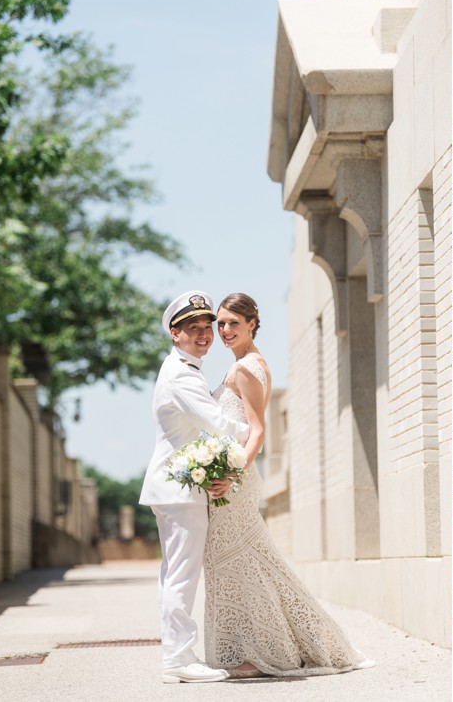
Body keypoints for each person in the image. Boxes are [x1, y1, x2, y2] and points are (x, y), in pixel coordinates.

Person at [202, 293, 373, 679]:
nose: (225, 330)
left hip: (235, 481)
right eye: (221, 324)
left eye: (232, 323)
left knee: (237, 563)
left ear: (251, 324)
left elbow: (257, 432)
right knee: (249, 563)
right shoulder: (253, 363)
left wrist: (232, 475)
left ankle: (264, 652)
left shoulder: (245, 369)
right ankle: (264, 646)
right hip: (231, 479)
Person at [138, 291, 249, 684]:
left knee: (175, 574)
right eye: (193, 328)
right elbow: (216, 422)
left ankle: (177, 654)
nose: (203, 335)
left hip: (175, 487)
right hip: (178, 489)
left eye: (207, 327)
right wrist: (256, 434)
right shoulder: (181, 374)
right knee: (182, 575)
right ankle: (179, 660)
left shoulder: (184, 368)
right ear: (174, 333)